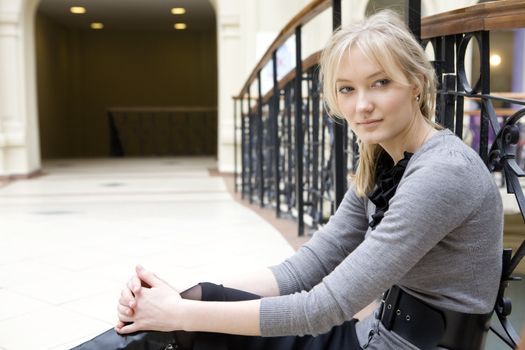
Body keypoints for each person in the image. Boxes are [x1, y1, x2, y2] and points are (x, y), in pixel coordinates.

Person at [72, 9, 503, 350]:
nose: (362, 106)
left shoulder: (443, 173)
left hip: (400, 344)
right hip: (369, 333)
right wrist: (176, 299)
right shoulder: (379, 158)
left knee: (190, 325)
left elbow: (325, 306)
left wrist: (177, 314)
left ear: (416, 83)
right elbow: (305, 268)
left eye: (380, 83)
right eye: (347, 89)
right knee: (202, 298)